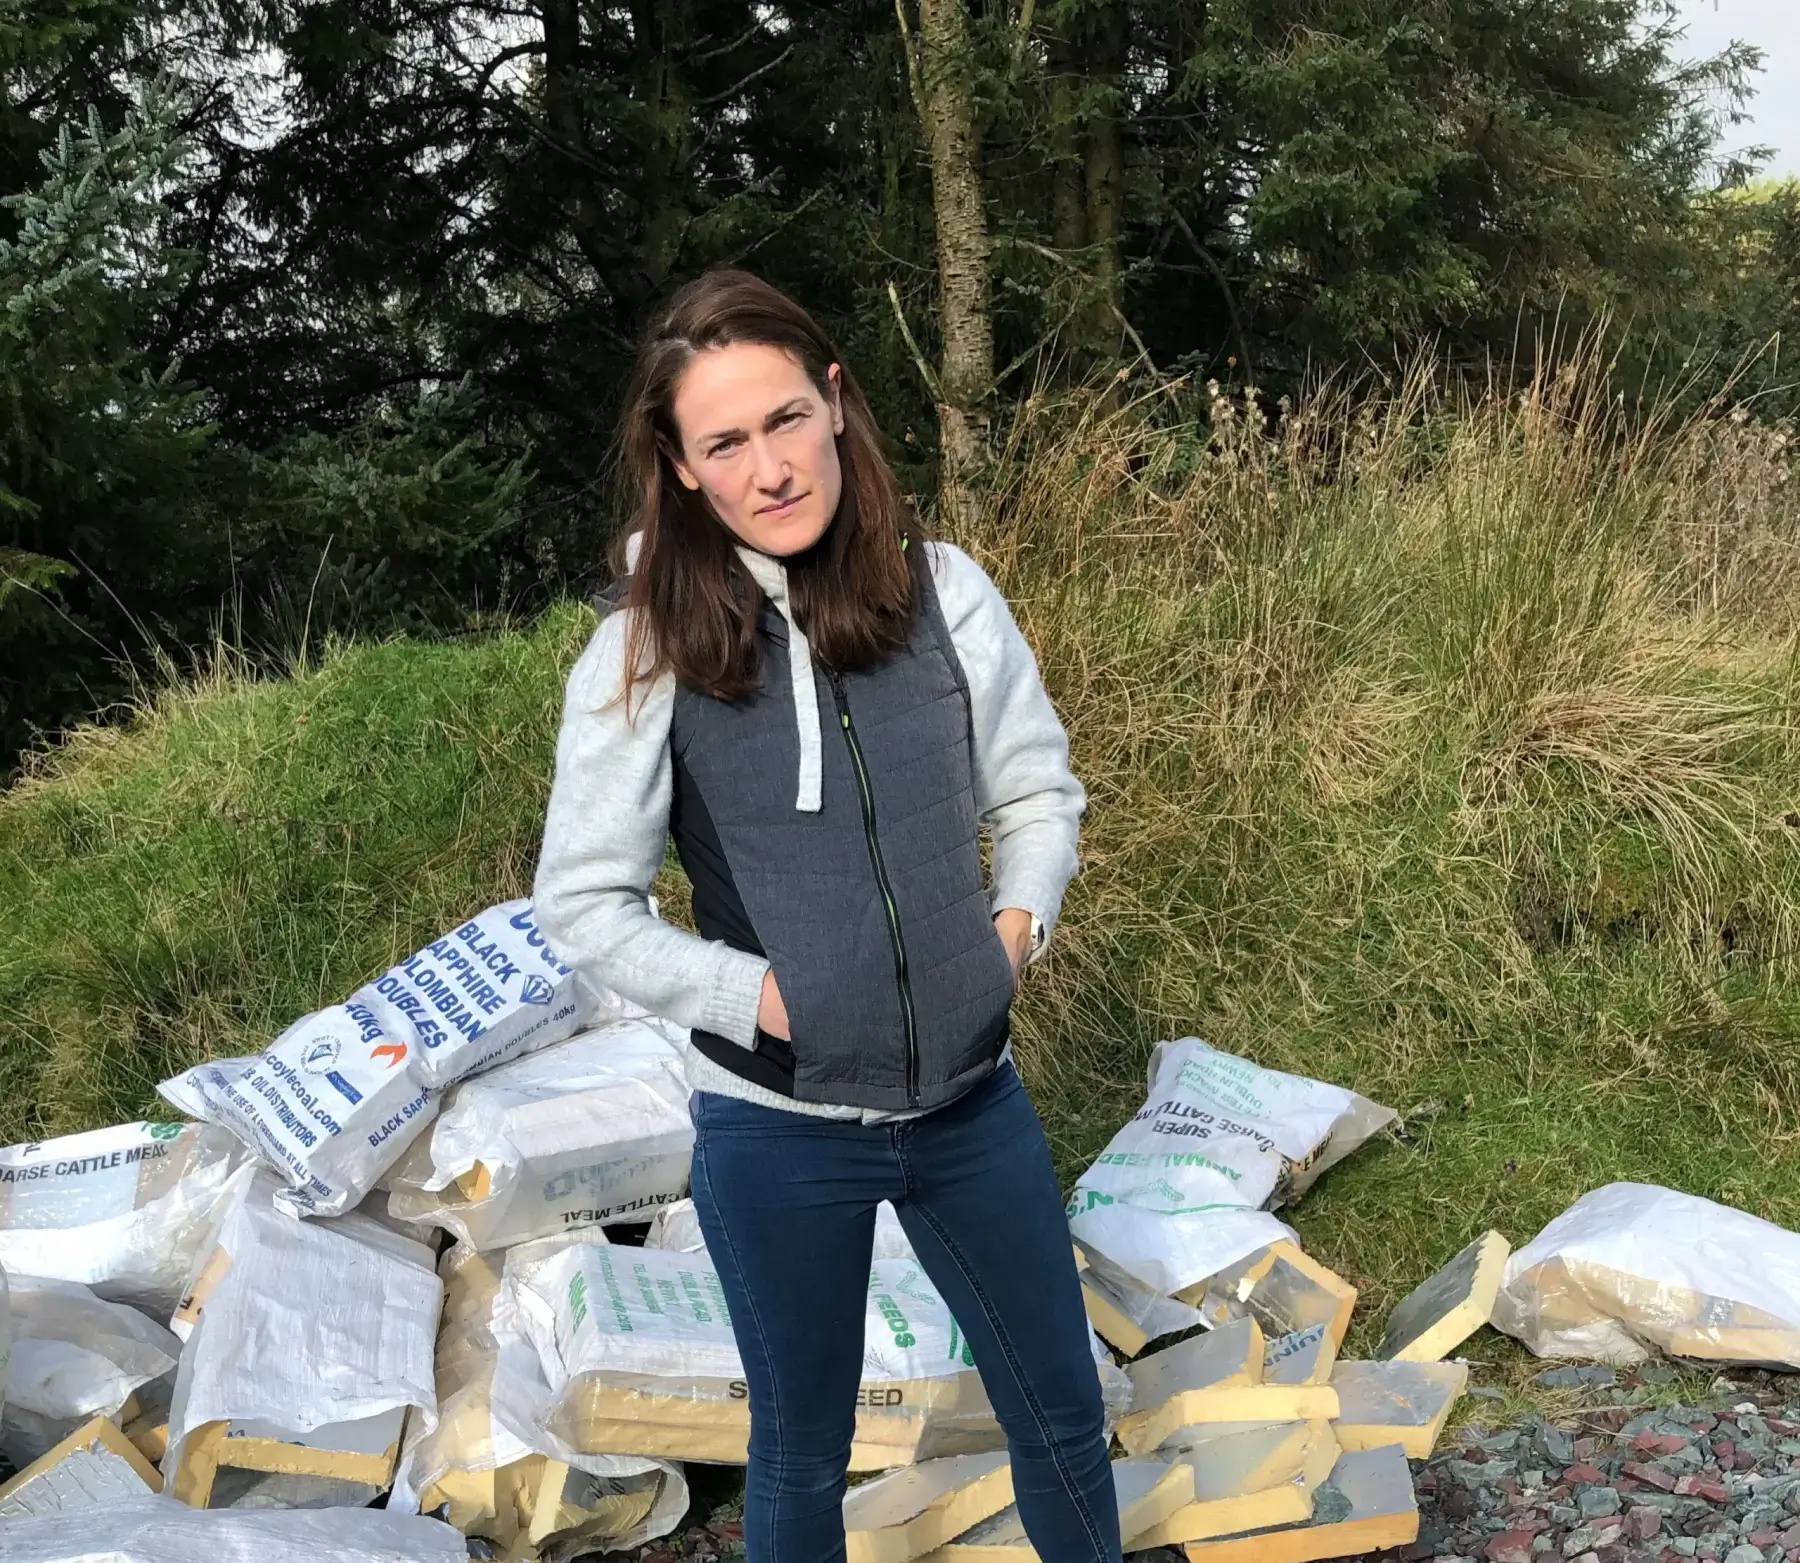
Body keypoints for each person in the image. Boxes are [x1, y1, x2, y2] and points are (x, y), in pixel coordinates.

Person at [533, 269, 1118, 1563]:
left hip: (973, 1107)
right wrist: (758, 999)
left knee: (1064, 1418)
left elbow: (1037, 790)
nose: (772, 465)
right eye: (726, 441)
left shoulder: (945, 593)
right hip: (777, 1129)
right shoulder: (644, 654)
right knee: (800, 1450)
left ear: (837, 403)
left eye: (787, 419)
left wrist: (1013, 932)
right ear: (681, 468)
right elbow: (580, 901)